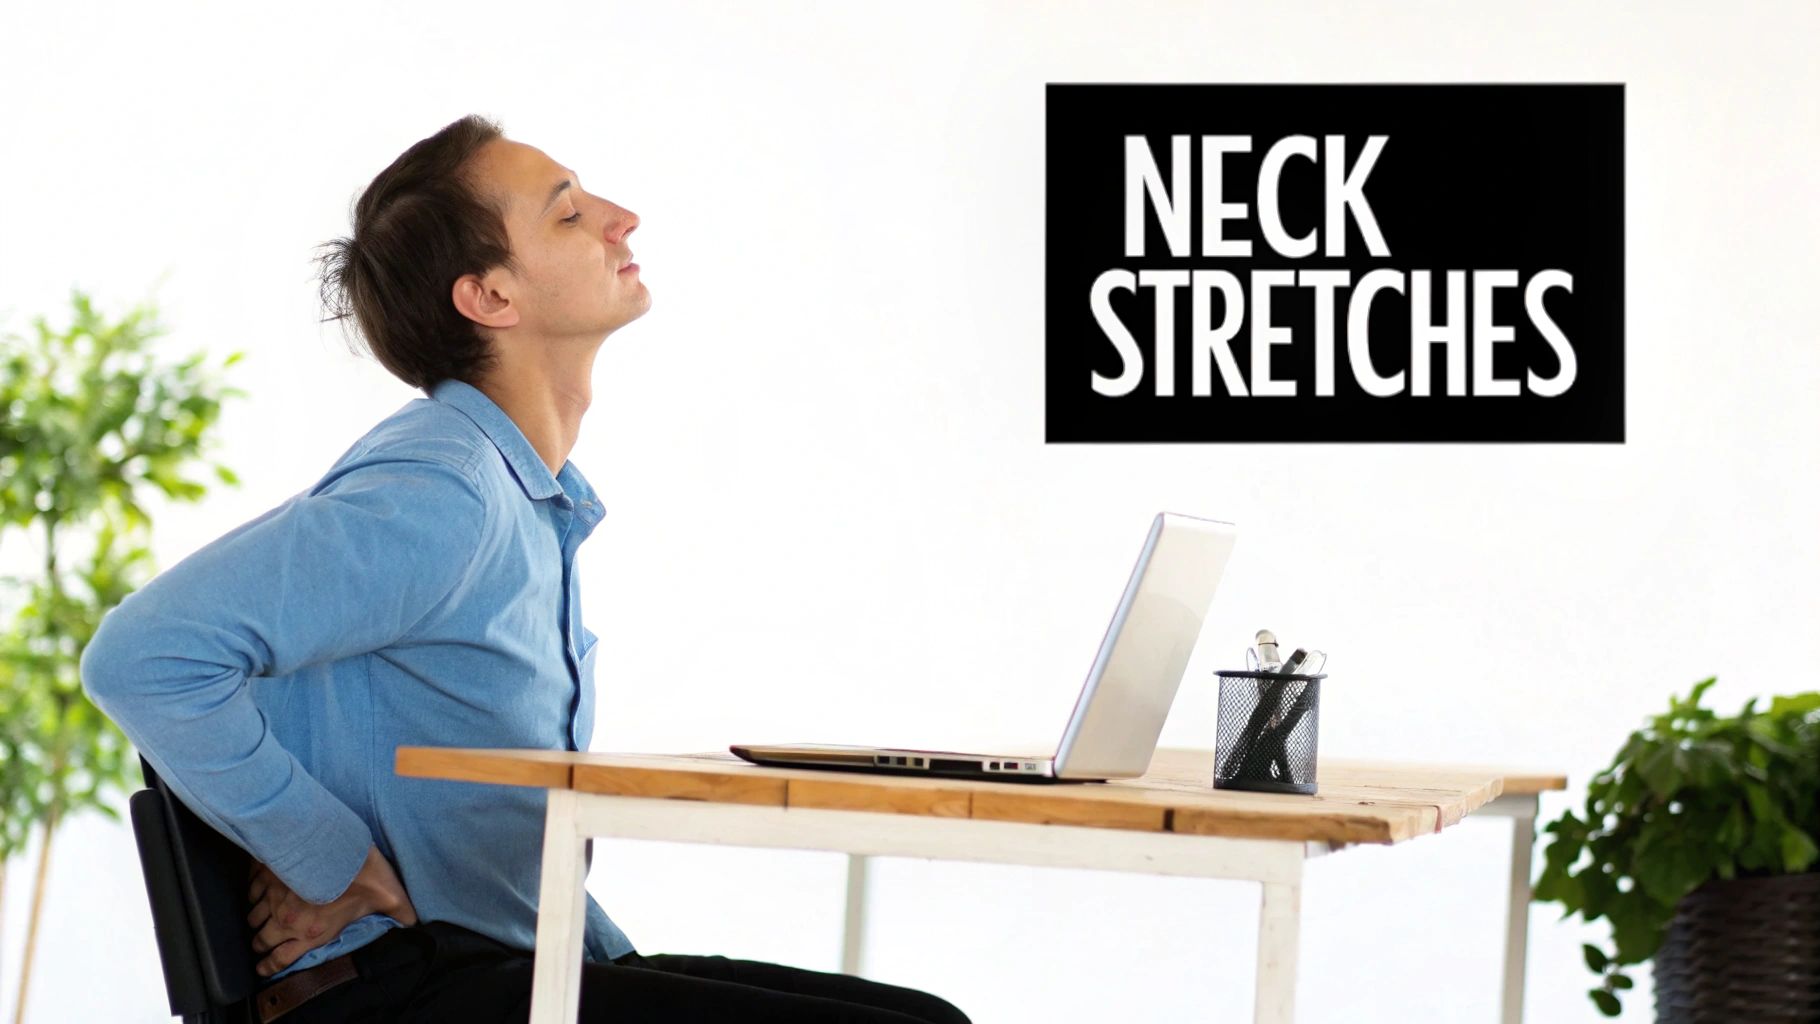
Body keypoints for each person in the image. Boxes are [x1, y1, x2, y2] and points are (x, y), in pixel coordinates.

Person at [81, 113, 971, 1024]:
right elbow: (143, 656)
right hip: (410, 993)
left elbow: (476, 835)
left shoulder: (521, 498)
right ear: (491, 299)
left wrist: (606, 957)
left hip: (490, 968)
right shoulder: (445, 491)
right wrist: (332, 859)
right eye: (569, 214)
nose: (622, 219)